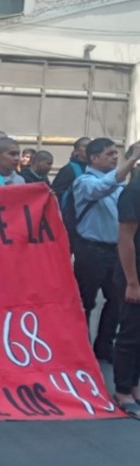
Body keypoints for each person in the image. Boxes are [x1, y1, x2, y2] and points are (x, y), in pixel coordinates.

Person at [72, 139, 140, 362]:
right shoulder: (83, 181)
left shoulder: (120, 185)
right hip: (90, 251)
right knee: (85, 302)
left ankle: (104, 346)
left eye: (116, 153)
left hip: (115, 251)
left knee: (116, 302)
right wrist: (132, 159)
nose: (114, 157)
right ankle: (78, 348)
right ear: (93, 158)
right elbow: (101, 189)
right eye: (109, 154)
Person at [114, 168, 140, 418]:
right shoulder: (133, 191)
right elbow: (126, 238)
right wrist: (132, 281)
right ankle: (122, 390)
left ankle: (134, 386)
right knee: (131, 332)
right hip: (133, 273)